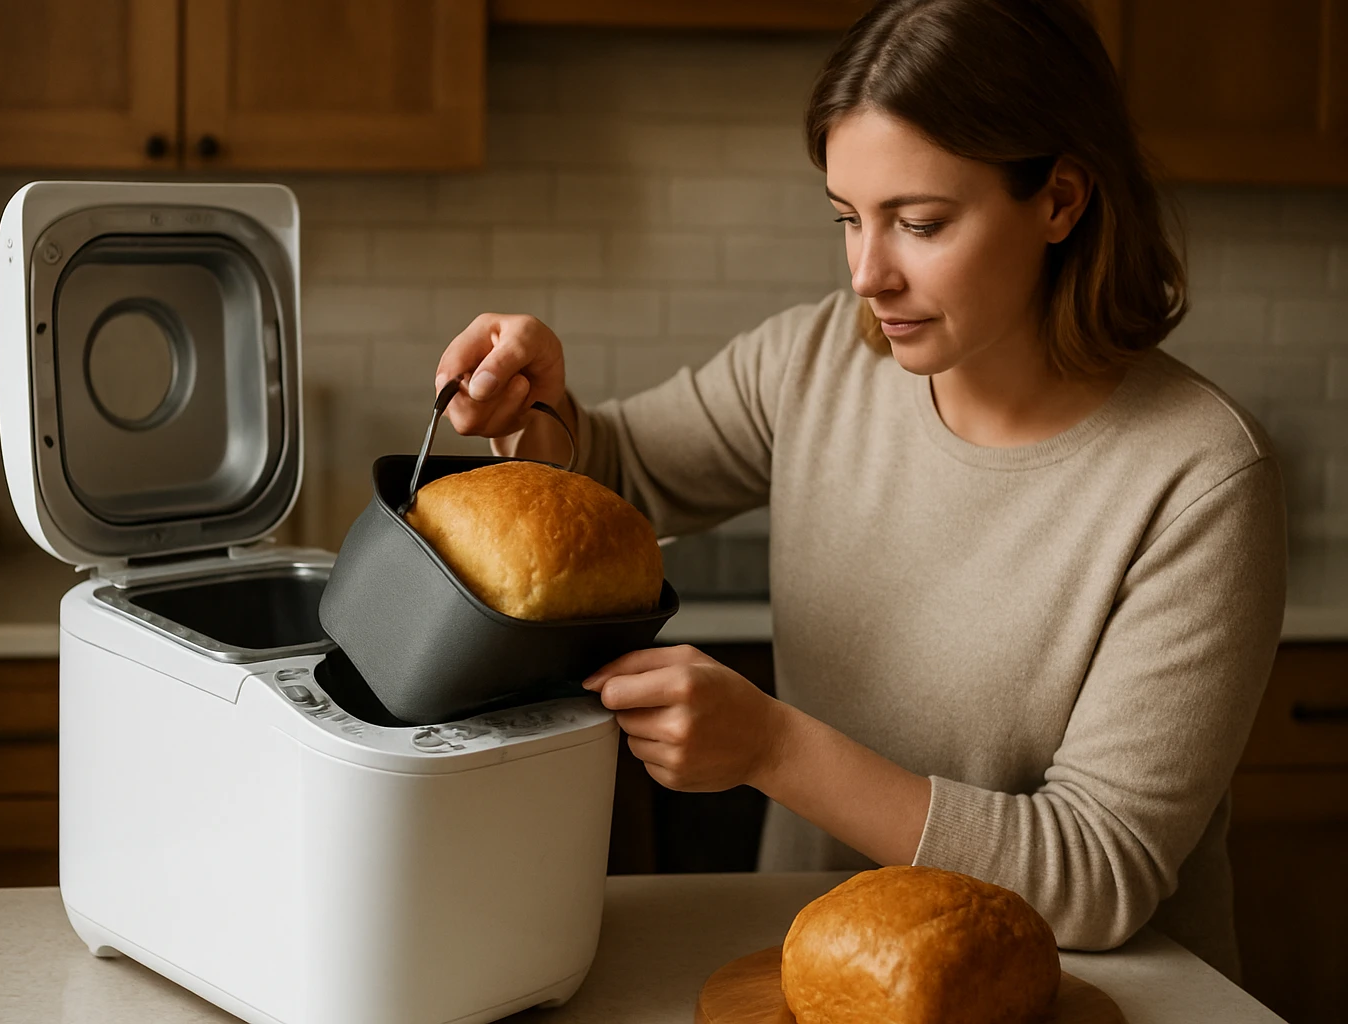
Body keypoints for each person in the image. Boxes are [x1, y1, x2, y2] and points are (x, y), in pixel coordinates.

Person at [431, 0, 1285, 981]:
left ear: (1059, 200)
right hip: (825, 973)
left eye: (919, 223)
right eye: (848, 218)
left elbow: (1098, 874)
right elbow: (617, 475)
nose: (868, 274)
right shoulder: (818, 362)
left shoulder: (1201, 477)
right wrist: (534, 405)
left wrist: (773, 749)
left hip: (1090, 993)